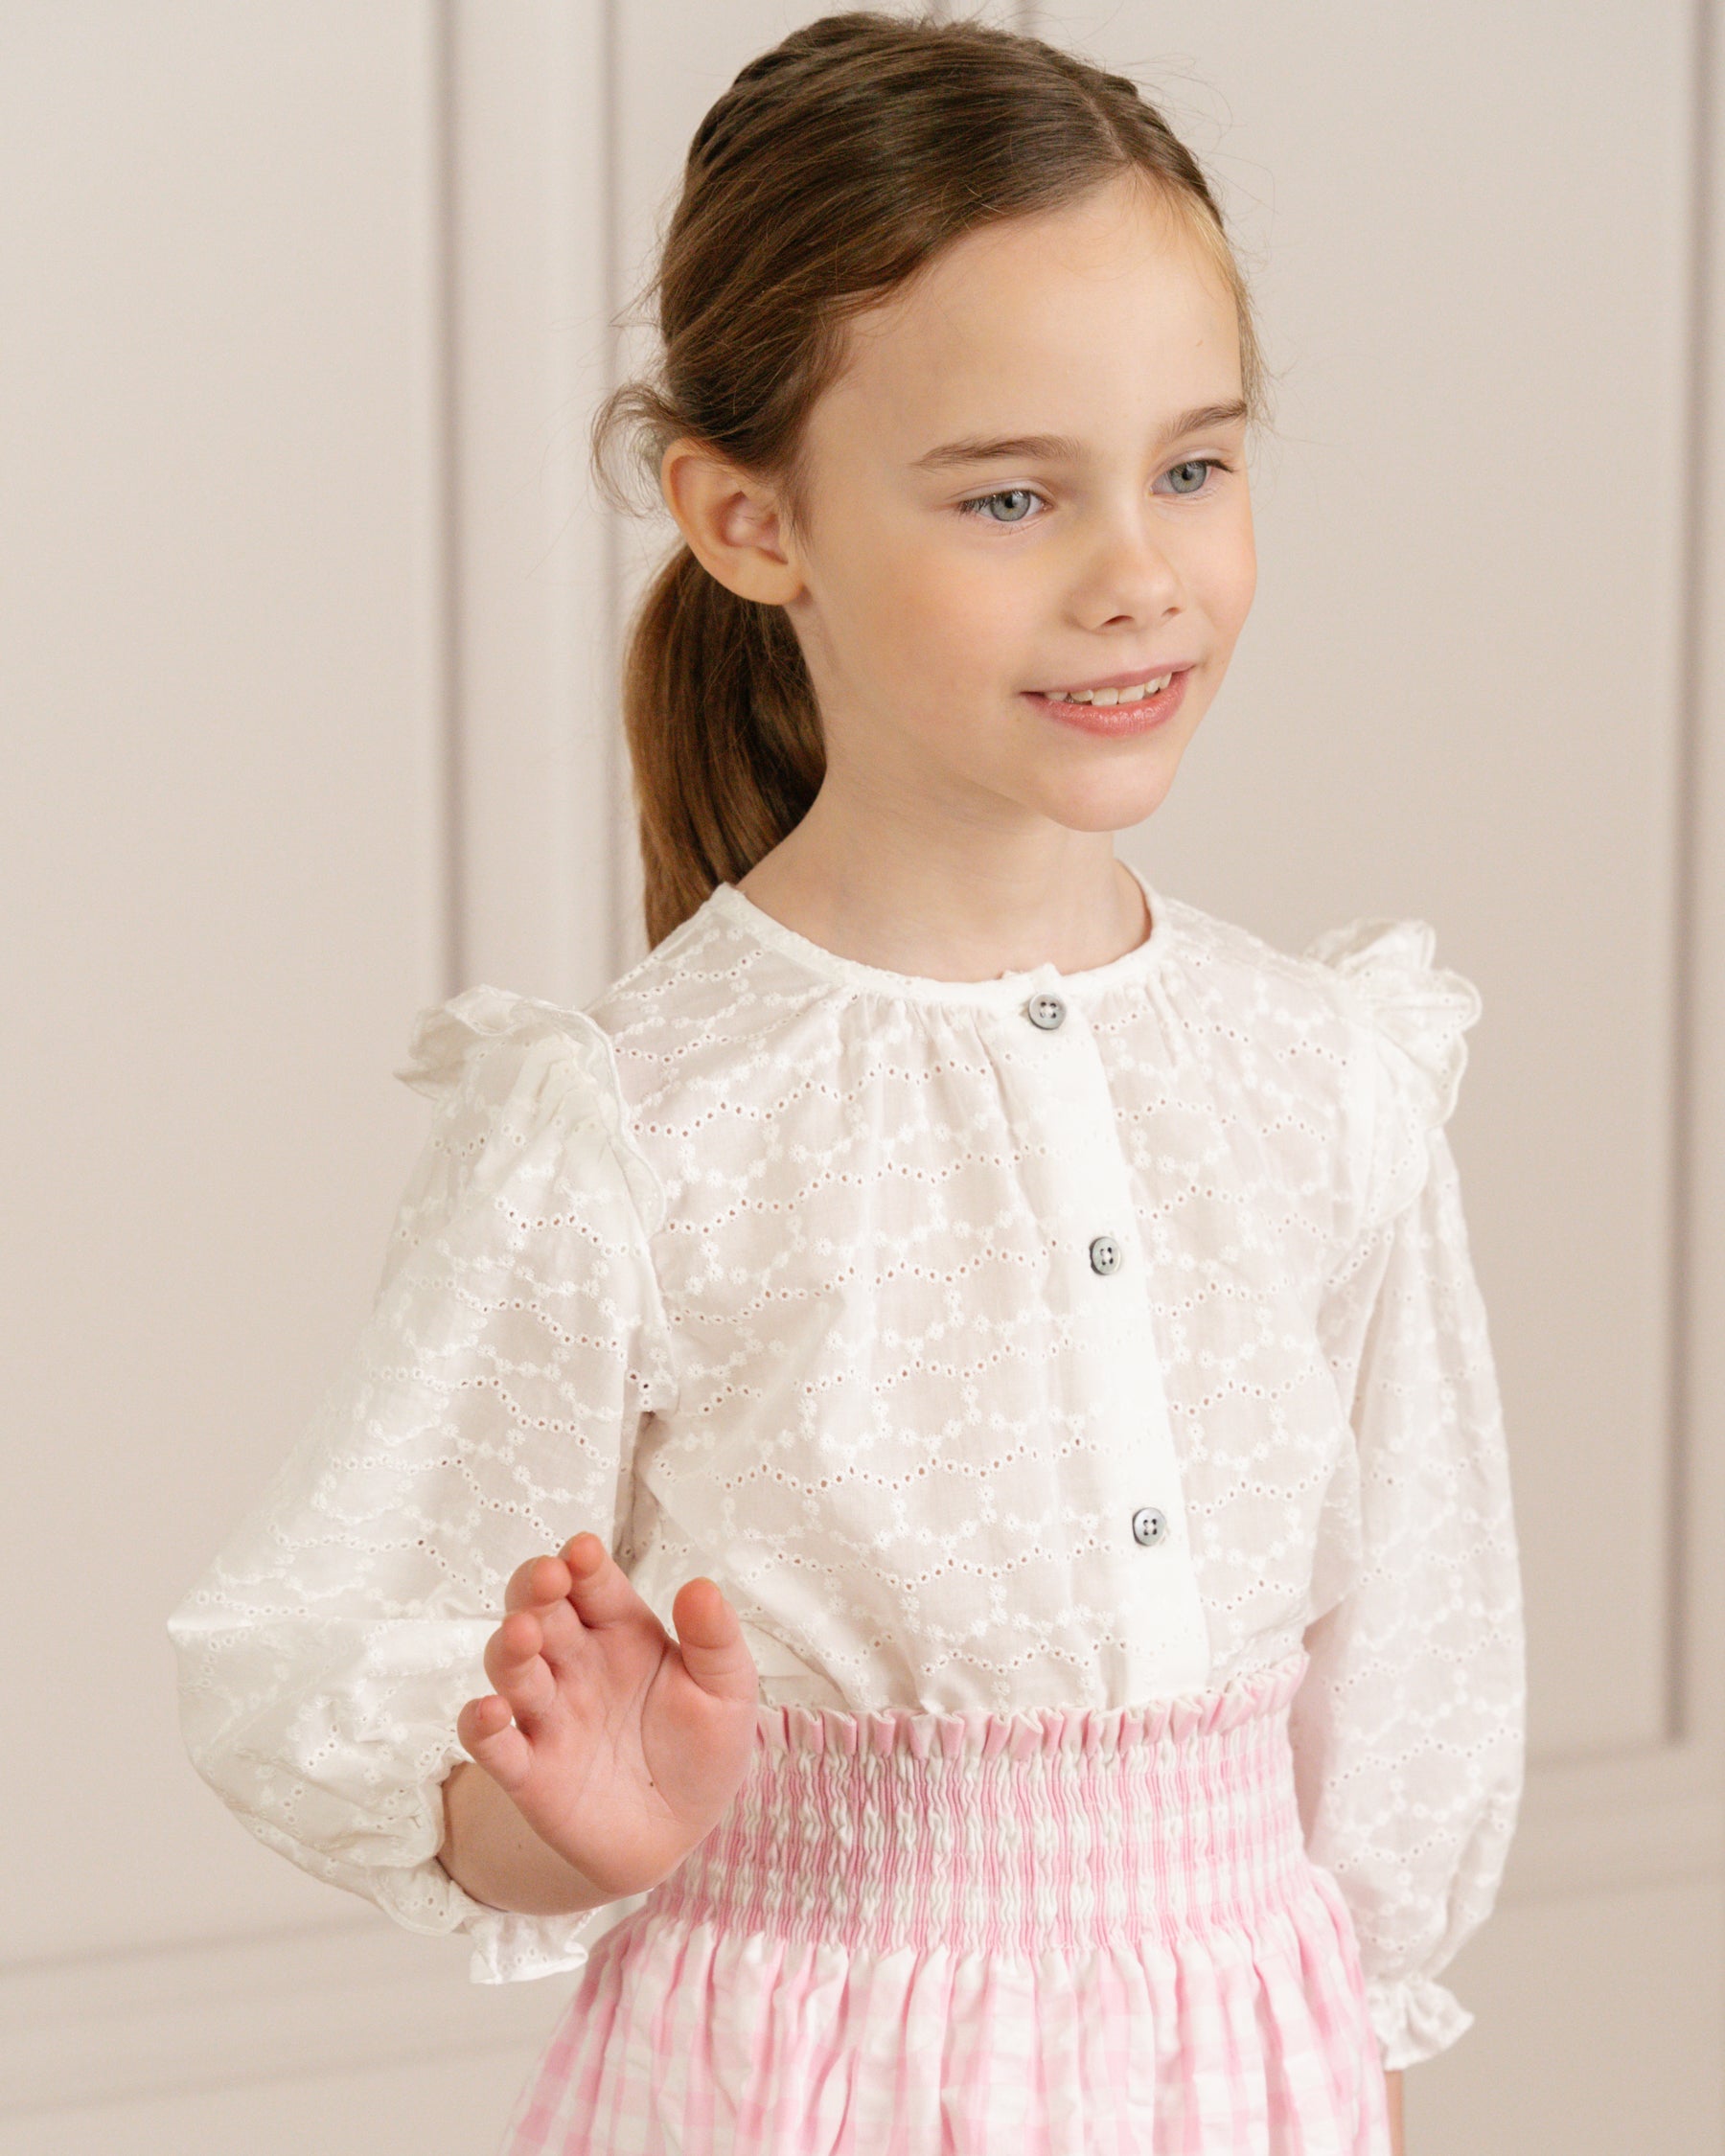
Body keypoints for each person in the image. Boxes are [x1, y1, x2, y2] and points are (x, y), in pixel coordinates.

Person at [166, 13, 1525, 2152]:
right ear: (751, 520)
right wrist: (572, 1828)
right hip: (797, 2085)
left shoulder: (1322, 1082)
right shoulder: (638, 1125)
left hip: (1245, 2080)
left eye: (1194, 465)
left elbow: (1402, 1708)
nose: (1138, 573)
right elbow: (340, 1648)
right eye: (1013, 494)